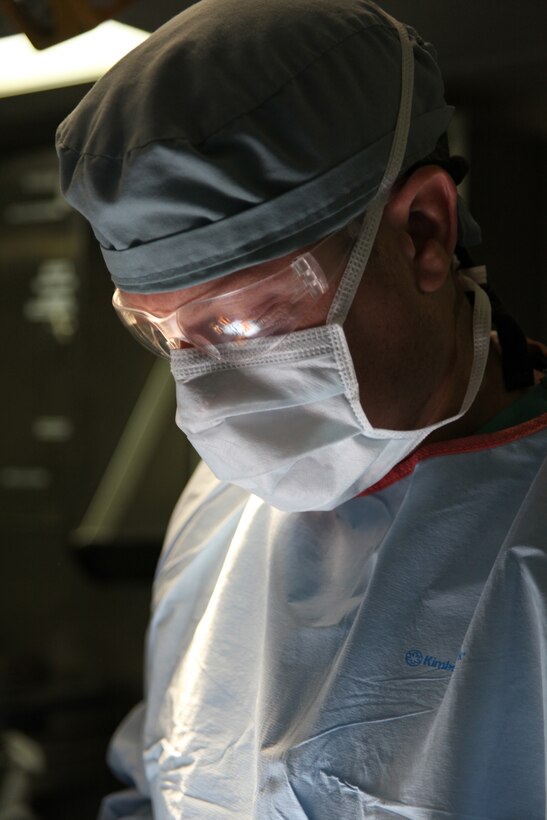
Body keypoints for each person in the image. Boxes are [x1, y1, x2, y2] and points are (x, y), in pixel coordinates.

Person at [56, 0, 547, 817]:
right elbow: (161, 781)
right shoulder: (217, 510)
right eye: (163, 333)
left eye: (242, 317)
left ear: (424, 232)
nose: (202, 394)